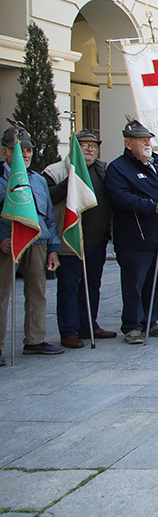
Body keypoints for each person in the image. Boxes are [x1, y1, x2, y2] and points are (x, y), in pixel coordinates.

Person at [106, 120, 158, 343]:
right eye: (141, 140)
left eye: (148, 139)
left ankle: (151, 321)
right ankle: (131, 326)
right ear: (129, 144)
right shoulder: (118, 168)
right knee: (134, 284)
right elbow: (121, 198)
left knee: (156, 282)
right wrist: (151, 207)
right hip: (135, 237)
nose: (147, 143)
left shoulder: (157, 164)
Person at [44, 130, 115, 347]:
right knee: (68, 287)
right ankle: (68, 331)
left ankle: (88, 325)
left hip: (97, 240)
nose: (90, 149)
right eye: (84, 145)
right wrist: (70, 181)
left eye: (93, 145)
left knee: (92, 285)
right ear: (74, 146)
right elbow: (47, 199)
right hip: (69, 241)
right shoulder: (55, 171)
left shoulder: (103, 169)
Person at [0, 126, 63, 358]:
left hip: (37, 243)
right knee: (2, 294)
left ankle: (35, 339)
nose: (25, 154)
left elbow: (48, 217)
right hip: (7, 243)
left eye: (28, 150)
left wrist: (53, 249)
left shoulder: (37, 180)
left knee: (38, 291)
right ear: (5, 152)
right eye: (19, 149)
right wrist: (0, 240)